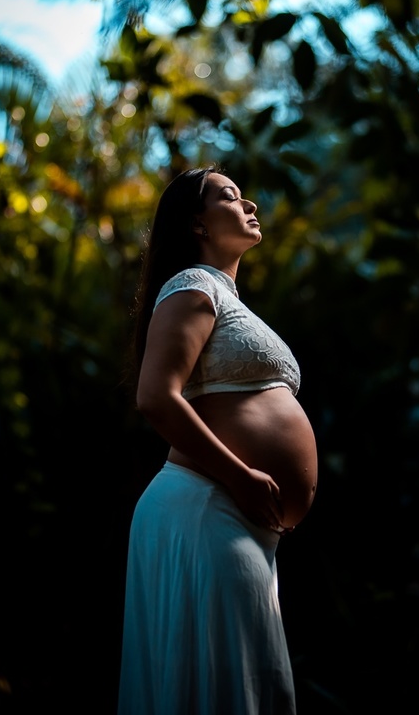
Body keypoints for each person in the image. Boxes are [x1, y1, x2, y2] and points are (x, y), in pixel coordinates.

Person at [118, 166, 318, 715]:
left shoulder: (224, 296)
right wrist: (240, 476)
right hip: (208, 506)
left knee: (241, 686)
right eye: (229, 196)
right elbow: (156, 396)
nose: (249, 203)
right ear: (198, 224)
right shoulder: (192, 285)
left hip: (238, 519)